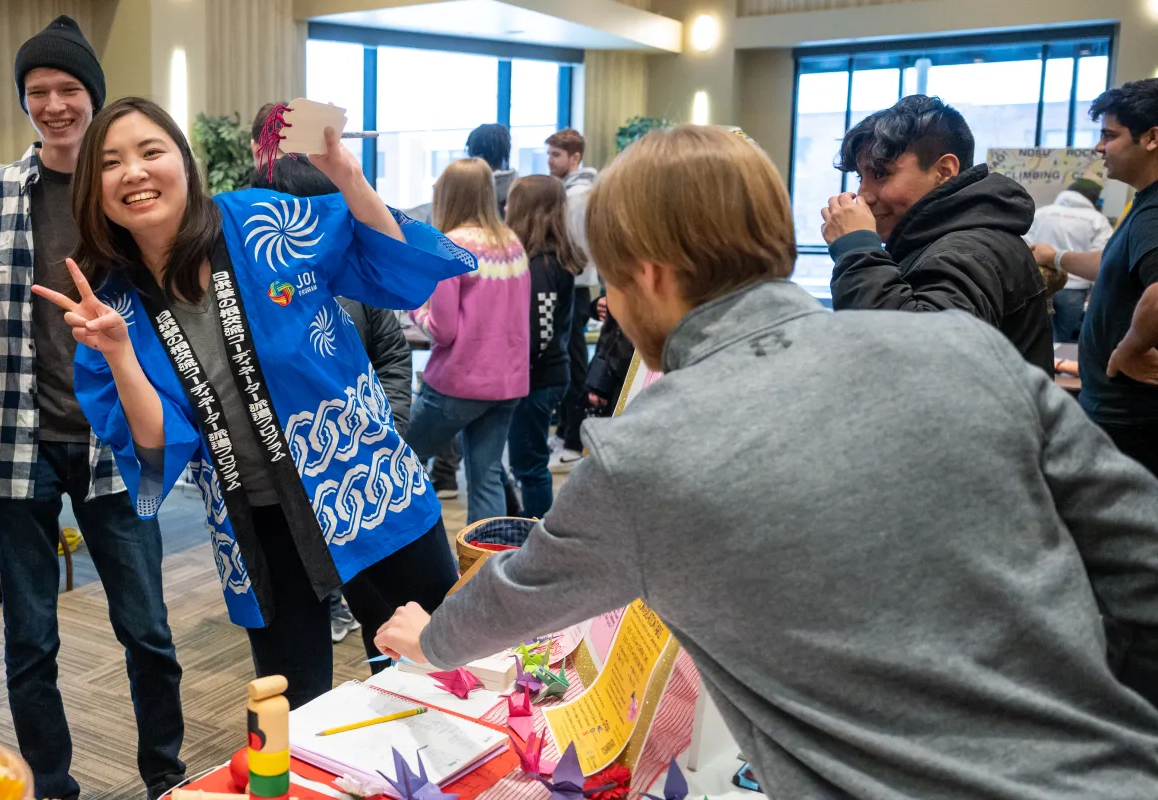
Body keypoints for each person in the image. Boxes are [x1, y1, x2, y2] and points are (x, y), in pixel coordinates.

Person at [375, 124, 1158, 799]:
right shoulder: (962, 346)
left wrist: (433, 638)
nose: (608, 305)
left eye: (610, 282)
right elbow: (1138, 559)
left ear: (648, 273)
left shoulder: (646, 452)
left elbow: (518, 595)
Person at [39, 97, 466, 709]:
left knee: (437, 664)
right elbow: (157, 458)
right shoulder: (111, 307)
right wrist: (120, 354)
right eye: (110, 162)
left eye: (151, 151)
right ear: (93, 189)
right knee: (294, 702)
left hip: (364, 481)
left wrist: (346, 174)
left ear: (184, 164)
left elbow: (395, 270)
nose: (133, 171)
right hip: (257, 522)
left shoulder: (264, 220)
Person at [0, 17, 186, 800]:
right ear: (25, 100)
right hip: (12, 441)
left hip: (114, 441)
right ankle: (52, 786)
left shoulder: (125, 191)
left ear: (91, 94)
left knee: (148, 630)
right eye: (38, 92)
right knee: (29, 638)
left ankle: (166, 776)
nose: (54, 105)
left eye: (68, 90)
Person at [247, 145, 415, 648]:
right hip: (285, 487)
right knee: (296, 638)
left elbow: (393, 361)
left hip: (366, 472)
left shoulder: (357, 283)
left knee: (388, 617)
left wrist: (383, 433)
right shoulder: (250, 297)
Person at [824, 94, 1051, 373]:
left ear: (944, 171)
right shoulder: (945, 238)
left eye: (881, 174)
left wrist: (855, 249)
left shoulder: (966, 248)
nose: (863, 196)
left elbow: (921, 357)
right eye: (861, 178)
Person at [1030, 78, 1158, 480]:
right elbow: (1112, 265)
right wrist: (1058, 257)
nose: (1100, 148)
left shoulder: (1154, 214)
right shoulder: (1145, 206)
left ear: (1152, 137)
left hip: (1131, 421)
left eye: (1109, 135)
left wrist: (1130, 349)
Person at [405, 158, 532, 526]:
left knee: (398, 458)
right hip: (508, 385)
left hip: (457, 385)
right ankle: (484, 569)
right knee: (486, 476)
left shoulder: (451, 247)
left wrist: (416, 308)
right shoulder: (513, 246)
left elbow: (442, 330)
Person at [502, 175, 581, 518]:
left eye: (510, 204)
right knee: (526, 463)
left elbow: (539, 332)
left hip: (538, 380)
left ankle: (535, 539)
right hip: (541, 377)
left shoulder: (543, 267)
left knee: (530, 467)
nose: (504, 208)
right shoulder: (545, 261)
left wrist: (512, 373)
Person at [544, 128, 599, 472]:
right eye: (548, 154)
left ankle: (575, 441)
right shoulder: (570, 190)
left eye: (556, 156)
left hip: (575, 287)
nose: (550, 161)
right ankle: (565, 430)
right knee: (568, 357)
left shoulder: (577, 196)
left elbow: (576, 248)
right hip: (572, 284)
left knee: (574, 362)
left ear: (575, 158)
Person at [1026, 178, 1111, 343]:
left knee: (1037, 337)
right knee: (1065, 340)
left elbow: (1026, 246)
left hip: (1039, 284)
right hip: (1075, 289)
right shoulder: (1098, 220)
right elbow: (1102, 259)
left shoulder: (1042, 213)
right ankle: (1062, 367)